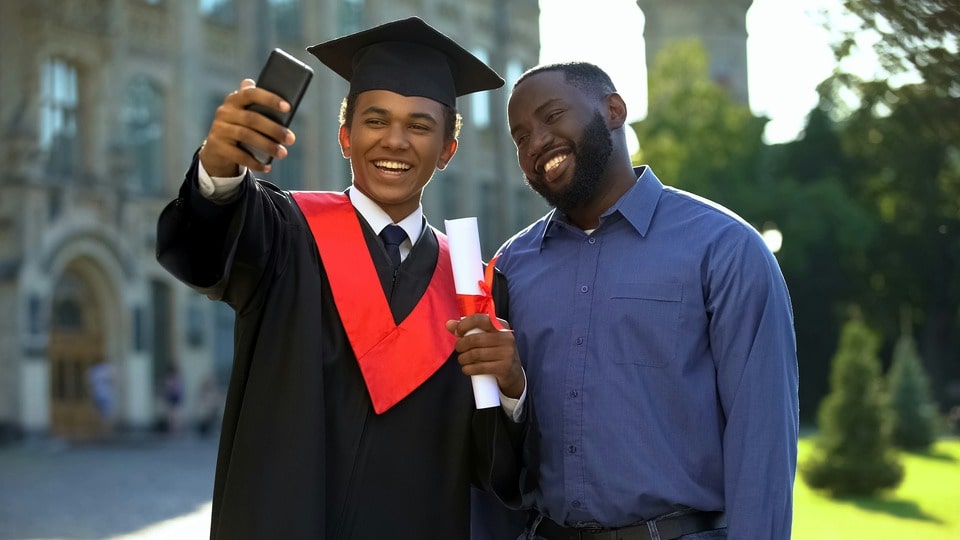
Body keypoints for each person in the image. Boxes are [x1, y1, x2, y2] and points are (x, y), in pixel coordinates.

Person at [156, 17, 527, 539]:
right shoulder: (283, 233)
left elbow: (494, 472)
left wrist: (511, 388)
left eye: (419, 126)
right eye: (375, 121)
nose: (395, 141)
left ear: (447, 150)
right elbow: (202, 252)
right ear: (345, 137)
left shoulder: (475, 286)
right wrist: (219, 167)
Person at [492, 62, 800, 539]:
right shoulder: (512, 266)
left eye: (553, 116)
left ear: (614, 110)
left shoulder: (725, 249)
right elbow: (500, 444)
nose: (536, 143)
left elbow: (762, 442)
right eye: (520, 136)